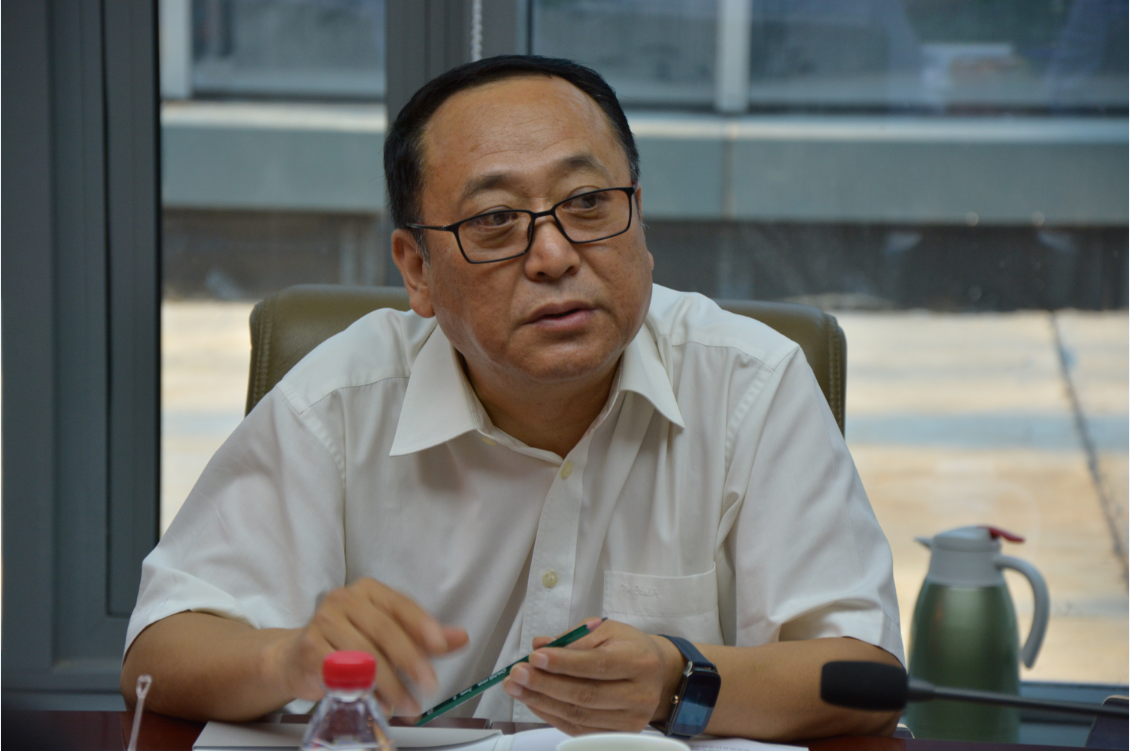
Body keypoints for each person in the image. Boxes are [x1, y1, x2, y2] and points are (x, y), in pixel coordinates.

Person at [122, 55, 903, 740]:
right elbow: (157, 655)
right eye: (496, 220)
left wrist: (676, 679)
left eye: (588, 203)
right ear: (417, 270)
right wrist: (287, 657)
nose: (554, 255)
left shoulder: (750, 383)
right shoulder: (340, 399)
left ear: (639, 217)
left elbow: (864, 674)